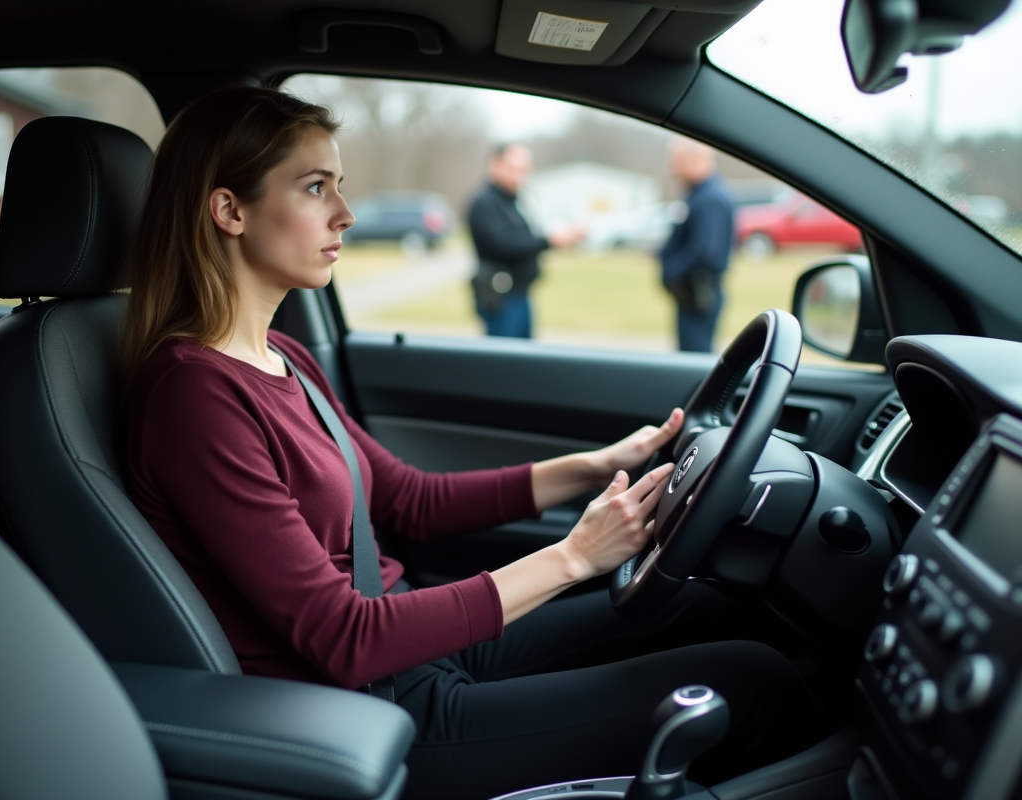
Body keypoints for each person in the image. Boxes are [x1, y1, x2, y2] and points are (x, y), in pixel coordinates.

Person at [121, 87, 823, 800]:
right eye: (314, 187)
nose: (346, 214)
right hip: (374, 706)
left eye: (339, 186)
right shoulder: (196, 398)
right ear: (230, 211)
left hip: (416, 647)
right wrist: (574, 556)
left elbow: (409, 500)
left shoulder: (283, 357)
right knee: (751, 683)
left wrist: (599, 466)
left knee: (711, 608)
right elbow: (344, 637)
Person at [467, 143, 584, 338]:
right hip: (501, 298)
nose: (520, 176)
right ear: (495, 164)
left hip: (521, 295)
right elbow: (504, 244)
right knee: (505, 362)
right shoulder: (485, 203)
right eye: (514, 168)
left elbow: (527, 238)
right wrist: (550, 240)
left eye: (525, 170)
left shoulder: (513, 202)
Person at [659, 138, 735, 353]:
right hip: (692, 292)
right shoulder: (699, 194)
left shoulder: (710, 198)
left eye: (677, 161)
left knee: (695, 358)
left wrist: (672, 270)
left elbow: (705, 251)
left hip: (700, 292)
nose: (671, 169)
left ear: (698, 159)